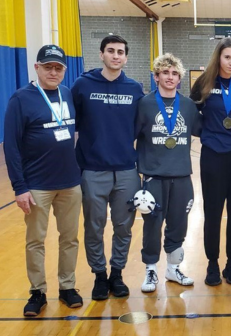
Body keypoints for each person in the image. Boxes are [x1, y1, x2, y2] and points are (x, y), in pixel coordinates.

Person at [4, 45, 83, 316]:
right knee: (36, 240)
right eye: (47, 66)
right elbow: (12, 146)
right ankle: (37, 291)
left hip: (70, 183)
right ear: (36, 68)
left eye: (58, 67)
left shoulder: (68, 94)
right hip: (36, 185)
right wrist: (20, 187)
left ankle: (67, 286)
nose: (53, 71)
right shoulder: (21, 98)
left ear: (64, 71)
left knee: (70, 238)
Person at [71, 35, 144, 300]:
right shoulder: (82, 85)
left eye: (120, 52)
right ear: (101, 54)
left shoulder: (135, 89)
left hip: (126, 169)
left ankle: (117, 274)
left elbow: (139, 128)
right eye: (111, 51)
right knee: (94, 226)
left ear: (126, 57)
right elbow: (72, 123)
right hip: (92, 170)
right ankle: (99, 276)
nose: (116, 56)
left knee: (124, 227)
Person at [134, 53, 202, 292]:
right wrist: (137, 174)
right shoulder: (145, 104)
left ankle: (173, 270)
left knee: (178, 224)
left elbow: (202, 130)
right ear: (156, 76)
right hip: (153, 176)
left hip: (182, 176)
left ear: (180, 78)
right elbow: (131, 137)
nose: (170, 77)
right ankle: (150, 270)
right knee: (152, 224)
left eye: (174, 74)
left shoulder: (188, 105)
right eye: (165, 73)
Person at [190, 37, 231, 286]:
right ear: (218, 58)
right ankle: (212, 263)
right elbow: (191, 113)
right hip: (213, 154)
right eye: (227, 57)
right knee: (213, 211)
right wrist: (206, 132)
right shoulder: (204, 82)